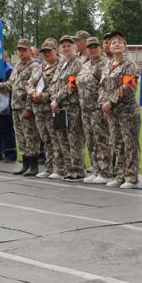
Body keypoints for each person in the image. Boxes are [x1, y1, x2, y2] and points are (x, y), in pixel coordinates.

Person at [0, 39, 40, 176]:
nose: (21, 52)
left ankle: (34, 165)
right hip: (15, 106)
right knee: (21, 137)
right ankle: (25, 164)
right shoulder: (17, 66)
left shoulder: (35, 66)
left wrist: (29, 108)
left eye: (24, 49)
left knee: (31, 136)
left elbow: (34, 87)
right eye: (19, 50)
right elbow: (9, 85)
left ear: (30, 51)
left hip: (26, 106)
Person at [99, 31, 141, 189]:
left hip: (127, 112)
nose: (115, 44)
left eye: (119, 42)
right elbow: (102, 87)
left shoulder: (129, 65)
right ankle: (120, 175)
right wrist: (103, 102)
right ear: (109, 47)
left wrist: (111, 100)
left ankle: (131, 176)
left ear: (125, 46)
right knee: (117, 144)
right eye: (112, 42)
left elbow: (128, 86)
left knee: (130, 144)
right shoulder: (108, 66)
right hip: (112, 113)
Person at [50, 35, 86, 181]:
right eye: (63, 46)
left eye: (69, 45)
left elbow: (72, 85)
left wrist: (57, 99)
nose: (66, 48)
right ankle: (68, 168)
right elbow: (54, 83)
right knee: (63, 138)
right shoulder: (62, 64)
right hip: (59, 107)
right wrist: (54, 100)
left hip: (71, 107)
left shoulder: (76, 63)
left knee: (74, 139)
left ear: (74, 47)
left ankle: (77, 170)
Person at [77, 37, 111, 184]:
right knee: (91, 140)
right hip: (85, 109)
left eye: (95, 46)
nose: (92, 49)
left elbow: (107, 86)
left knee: (102, 140)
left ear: (100, 48)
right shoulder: (85, 64)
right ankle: (96, 168)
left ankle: (106, 171)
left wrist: (104, 108)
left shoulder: (104, 64)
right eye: (90, 47)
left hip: (98, 108)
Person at [29, 39, 60, 178]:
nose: (47, 54)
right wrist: (32, 93)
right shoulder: (40, 67)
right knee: (45, 139)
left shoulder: (60, 66)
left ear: (55, 50)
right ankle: (49, 167)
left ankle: (59, 168)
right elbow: (29, 83)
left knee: (56, 140)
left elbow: (56, 88)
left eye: (49, 51)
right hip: (39, 110)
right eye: (44, 52)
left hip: (51, 108)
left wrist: (41, 96)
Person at [0, 60, 17, 164]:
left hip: (5, 101)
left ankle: (10, 153)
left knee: (6, 128)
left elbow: (9, 86)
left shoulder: (8, 70)